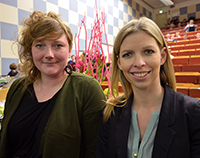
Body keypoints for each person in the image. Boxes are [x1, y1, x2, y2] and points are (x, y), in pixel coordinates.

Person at [0, 11, 106, 158]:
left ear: (69, 51)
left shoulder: (86, 89)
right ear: (31, 51)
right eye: (40, 45)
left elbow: (95, 151)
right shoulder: (18, 87)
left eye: (57, 45)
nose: (49, 54)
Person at [96, 17, 200, 158]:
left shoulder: (193, 113)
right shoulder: (111, 113)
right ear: (119, 63)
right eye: (128, 54)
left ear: (162, 56)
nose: (139, 63)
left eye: (148, 51)